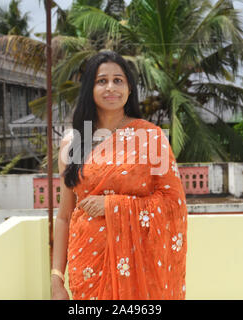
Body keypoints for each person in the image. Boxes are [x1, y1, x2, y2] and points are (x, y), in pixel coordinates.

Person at [51, 51, 187, 300]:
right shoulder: (75, 142)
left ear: (129, 88)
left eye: (118, 80)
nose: (110, 87)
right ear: (89, 89)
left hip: (139, 267)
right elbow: (64, 216)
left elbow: (172, 204)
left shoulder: (151, 138)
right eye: (101, 81)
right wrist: (56, 279)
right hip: (88, 264)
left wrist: (113, 206)